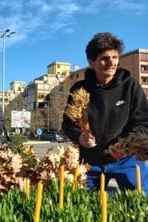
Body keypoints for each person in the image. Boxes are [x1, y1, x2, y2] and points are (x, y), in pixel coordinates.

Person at [62, 32, 148, 193]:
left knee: (138, 205)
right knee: (82, 208)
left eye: (115, 57)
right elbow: (68, 124)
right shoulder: (79, 89)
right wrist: (80, 138)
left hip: (127, 160)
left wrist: (124, 145)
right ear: (91, 61)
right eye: (104, 58)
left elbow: (143, 122)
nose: (111, 63)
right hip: (90, 163)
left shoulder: (131, 86)